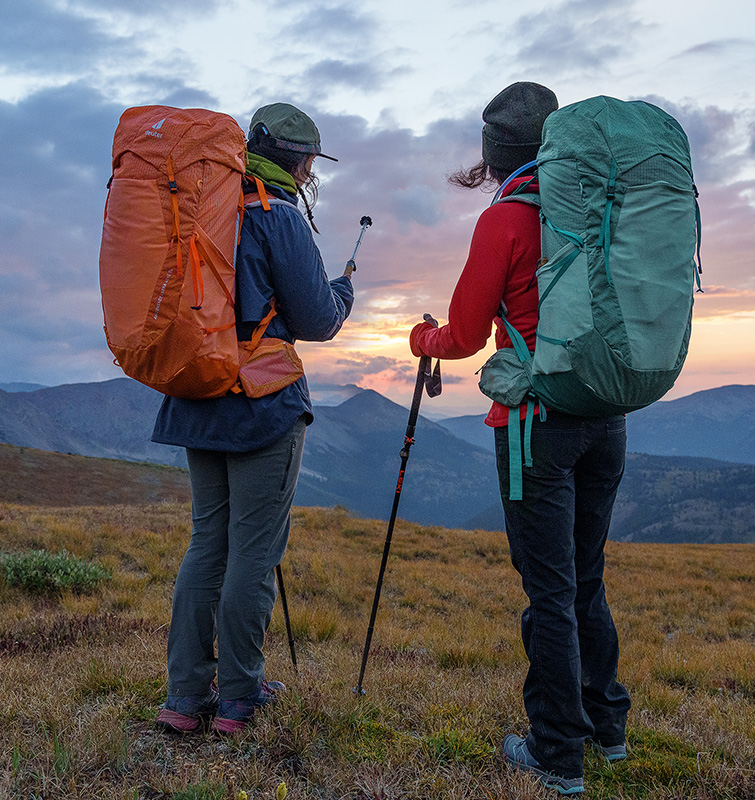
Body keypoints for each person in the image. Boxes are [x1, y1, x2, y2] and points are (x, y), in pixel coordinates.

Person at [409, 82, 630, 795]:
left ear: (496, 152)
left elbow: (466, 336)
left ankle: (557, 754)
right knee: (586, 581)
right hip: (608, 414)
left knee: (551, 593)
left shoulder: (504, 221)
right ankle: (608, 728)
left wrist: (421, 337)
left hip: (537, 425)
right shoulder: (601, 206)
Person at [152, 103, 354, 735]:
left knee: (206, 544)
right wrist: (344, 292)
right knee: (254, 553)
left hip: (195, 395)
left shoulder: (195, 208)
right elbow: (318, 320)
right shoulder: (279, 216)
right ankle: (239, 697)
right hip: (262, 406)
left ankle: (185, 698)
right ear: (301, 161)